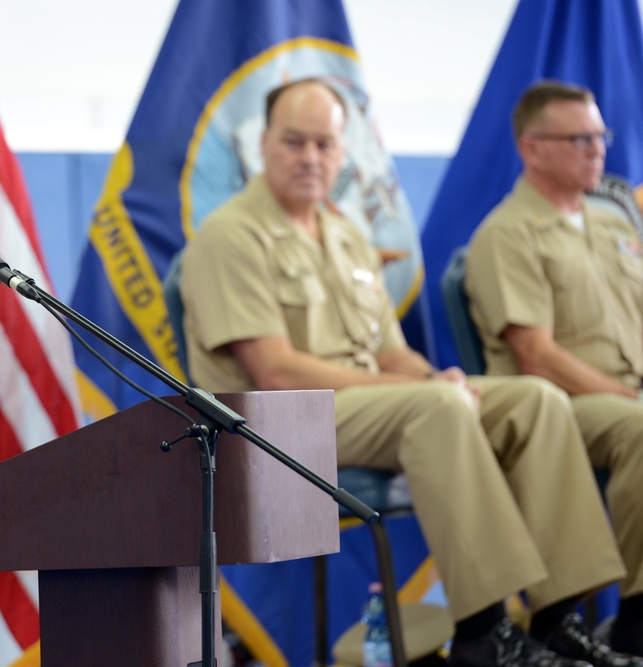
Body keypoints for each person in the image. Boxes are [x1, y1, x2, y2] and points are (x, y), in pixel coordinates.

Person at [178, 78, 637, 667]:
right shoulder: (230, 235)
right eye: (294, 142)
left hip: (366, 406)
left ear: (344, 152)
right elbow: (274, 369)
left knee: (536, 399)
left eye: (325, 144)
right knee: (437, 408)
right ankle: (483, 632)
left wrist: (441, 377)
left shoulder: (344, 233)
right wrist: (423, 391)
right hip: (281, 418)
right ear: (262, 144)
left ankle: (555, 620)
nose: (311, 158)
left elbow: (390, 352)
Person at [466, 80, 643, 657]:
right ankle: (639, 615)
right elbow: (536, 354)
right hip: (562, 404)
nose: (597, 150)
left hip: (623, 391)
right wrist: (627, 394)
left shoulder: (614, 224)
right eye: (578, 139)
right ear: (532, 148)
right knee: (639, 427)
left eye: (600, 136)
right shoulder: (507, 233)